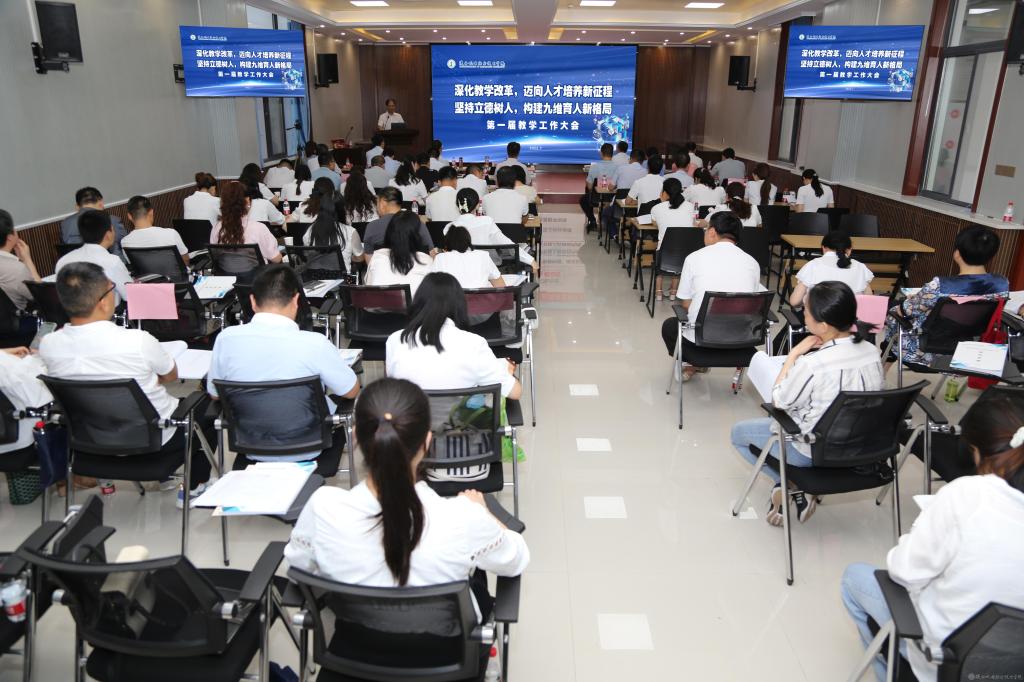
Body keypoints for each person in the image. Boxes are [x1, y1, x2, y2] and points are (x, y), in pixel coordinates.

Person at [283, 377, 529, 635]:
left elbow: (298, 568)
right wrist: (485, 513)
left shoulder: (323, 508)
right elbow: (516, 561)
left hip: (354, 647)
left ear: (354, 437)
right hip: (445, 650)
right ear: (427, 442)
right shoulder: (464, 518)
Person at [841, 392, 1024, 682]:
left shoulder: (968, 495)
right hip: (1012, 668)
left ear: (976, 450)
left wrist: (922, 529)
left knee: (854, 578)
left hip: (946, 661)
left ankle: (890, 671)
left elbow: (903, 572)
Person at [40, 262, 214, 503]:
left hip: (90, 441)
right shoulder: (137, 341)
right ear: (103, 302)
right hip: (157, 440)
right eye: (111, 288)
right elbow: (171, 375)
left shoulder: (49, 345)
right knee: (207, 407)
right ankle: (195, 485)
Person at [730, 281, 883, 525]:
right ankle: (793, 486)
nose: (803, 314)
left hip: (814, 450)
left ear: (823, 325)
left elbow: (778, 401)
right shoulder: (871, 352)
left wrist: (794, 355)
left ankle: (790, 484)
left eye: (806, 311)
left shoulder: (813, 363)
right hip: (860, 446)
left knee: (738, 435)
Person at [208, 264, 359, 475]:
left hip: (251, 445)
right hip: (310, 445)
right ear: (297, 300)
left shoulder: (226, 339)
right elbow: (351, 391)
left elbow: (215, 394)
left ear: (252, 301)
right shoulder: (315, 343)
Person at [386, 273, 522, 484]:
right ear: (459, 305)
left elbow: (395, 390)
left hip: (412, 458)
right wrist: (505, 372)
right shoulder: (473, 344)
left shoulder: (396, 340)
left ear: (418, 302)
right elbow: (515, 393)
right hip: (469, 458)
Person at [883, 225, 1007, 365]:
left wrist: (911, 301)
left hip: (924, 349)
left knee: (893, 310)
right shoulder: (1001, 284)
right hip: (967, 350)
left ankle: (884, 360)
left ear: (957, 253)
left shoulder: (939, 285)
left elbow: (904, 311)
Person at [659, 212, 763, 363]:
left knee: (670, 326)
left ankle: (694, 365)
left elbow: (686, 305)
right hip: (741, 342)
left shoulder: (694, 258)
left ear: (712, 232)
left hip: (701, 343)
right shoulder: (752, 263)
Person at [448, 189, 536, 273]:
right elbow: (506, 243)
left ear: (457, 205)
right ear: (478, 205)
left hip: (459, 271)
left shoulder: (449, 227)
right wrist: (531, 260)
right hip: (488, 269)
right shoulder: (486, 222)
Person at [54, 210, 132, 302]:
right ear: (108, 234)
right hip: (108, 310)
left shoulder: (63, 261)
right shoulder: (112, 262)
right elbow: (130, 295)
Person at [789, 230, 873, 307]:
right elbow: (869, 302)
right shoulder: (860, 267)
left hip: (819, 317)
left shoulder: (813, 265)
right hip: (852, 317)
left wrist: (805, 303)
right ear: (849, 250)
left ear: (823, 248)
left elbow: (794, 301)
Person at [209, 181, 283, 268]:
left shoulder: (216, 228)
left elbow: (214, 257)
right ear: (247, 201)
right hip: (257, 276)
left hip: (225, 275)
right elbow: (276, 259)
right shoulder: (259, 228)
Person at [298, 178, 364, 273]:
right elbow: (360, 258)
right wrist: (348, 256)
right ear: (342, 210)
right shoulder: (350, 232)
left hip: (315, 279)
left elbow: (308, 257)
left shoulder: (310, 231)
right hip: (341, 280)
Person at [365, 210, 433, 295]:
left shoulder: (377, 258)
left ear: (389, 232)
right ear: (417, 235)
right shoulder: (427, 261)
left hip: (381, 303)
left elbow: (369, 289)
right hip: (415, 304)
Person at [649, 178, 695, 301]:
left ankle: (658, 292)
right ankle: (674, 291)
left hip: (664, 255)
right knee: (679, 245)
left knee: (662, 246)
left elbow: (655, 224)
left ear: (665, 192)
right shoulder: (690, 207)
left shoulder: (657, 208)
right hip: (686, 255)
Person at [362, 187, 435, 258]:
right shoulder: (418, 224)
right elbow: (431, 253)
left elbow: (369, 260)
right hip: (413, 265)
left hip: (382, 266)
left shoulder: (372, 227)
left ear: (382, 204)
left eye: (377, 203)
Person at [430, 226, 506, 290]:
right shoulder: (483, 255)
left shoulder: (440, 258)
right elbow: (501, 286)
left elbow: (431, 287)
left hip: (452, 303)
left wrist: (434, 259)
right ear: (468, 240)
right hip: (480, 302)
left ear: (446, 243)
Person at [121, 195, 189, 264]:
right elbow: (185, 261)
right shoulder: (171, 233)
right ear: (151, 212)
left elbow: (134, 265)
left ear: (129, 216)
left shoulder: (125, 242)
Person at [60, 187, 127, 257]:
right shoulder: (112, 220)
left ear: (77, 206)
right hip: (110, 262)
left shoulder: (65, 223)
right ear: (101, 203)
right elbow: (125, 244)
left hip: (76, 263)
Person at [0, 210, 41, 313]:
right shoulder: (16, 269)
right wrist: (27, 260)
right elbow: (41, 295)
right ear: (10, 237)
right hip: (17, 320)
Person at [580, 143, 618, 230]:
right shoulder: (618, 168)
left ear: (601, 153)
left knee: (583, 199)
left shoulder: (594, 167)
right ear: (613, 153)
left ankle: (592, 220)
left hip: (596, 198)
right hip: (612, 198)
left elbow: (590, 187)